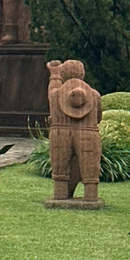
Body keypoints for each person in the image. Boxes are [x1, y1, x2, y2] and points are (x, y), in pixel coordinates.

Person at [46, 59, 102, 203]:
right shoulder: (94, 95)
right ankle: (91, 196)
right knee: (90, 164)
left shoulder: (56, 94)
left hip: (60, 133)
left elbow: (52, 91)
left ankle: (60, 195)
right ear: (82, 74)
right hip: (88, 133)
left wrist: (54, 74)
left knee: (60, 164)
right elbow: (98, 118)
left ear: (64, 74)